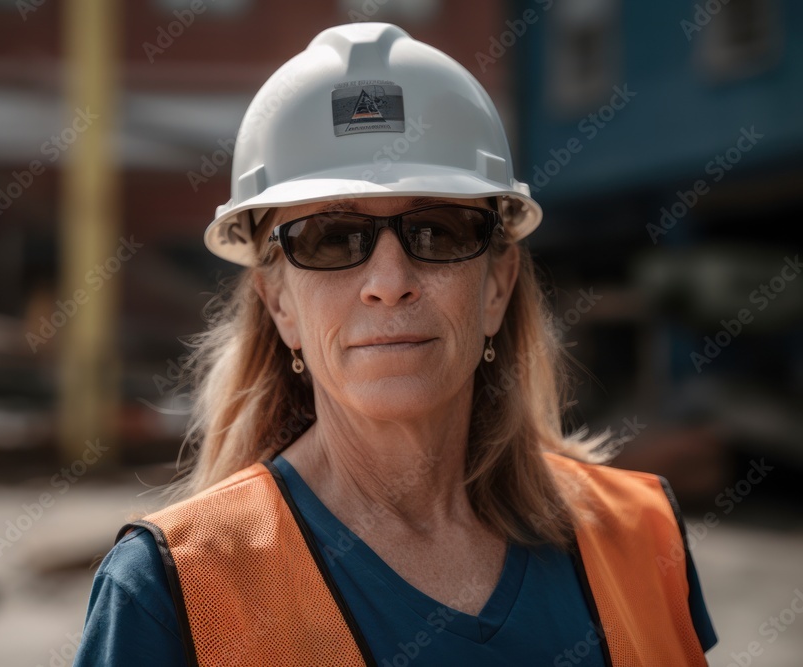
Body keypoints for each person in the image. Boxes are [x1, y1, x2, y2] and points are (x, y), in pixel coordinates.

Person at [74, 22, 717, 666]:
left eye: (437, 230)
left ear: (496, 285)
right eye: (331, 237)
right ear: (279, 304)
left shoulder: (642, 537)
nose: (389, 284)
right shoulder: (171, 596)